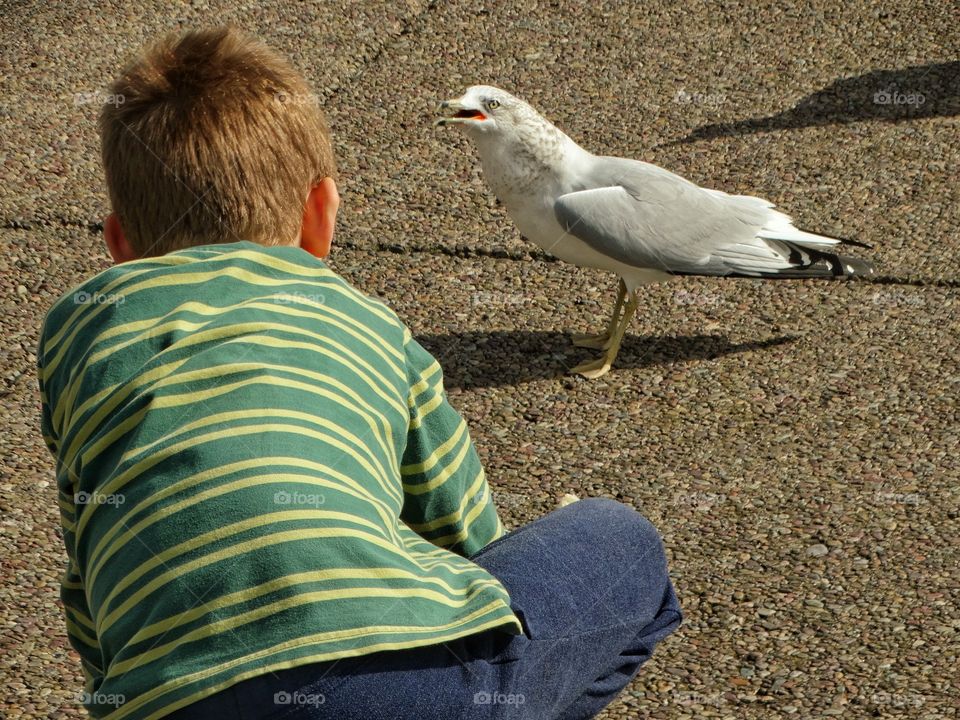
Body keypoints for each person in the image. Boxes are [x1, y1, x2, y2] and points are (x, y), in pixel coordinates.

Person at [37, 26, 681, 720]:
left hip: (173, 705)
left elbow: (90, 559)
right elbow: (465, 534)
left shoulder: (80, 330)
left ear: (118, 249)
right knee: (620, 541)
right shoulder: (367, 321)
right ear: (322, 215)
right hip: (400, 689)